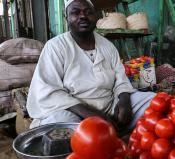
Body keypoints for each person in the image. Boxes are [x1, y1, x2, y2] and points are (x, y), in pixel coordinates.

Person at [27, 0, 155, 133]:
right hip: (75, 113)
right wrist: (94, 116)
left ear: (95, 17)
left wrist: (124, 102)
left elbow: (121, 80)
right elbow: (50, 91)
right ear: (67, 18)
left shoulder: (108, 46)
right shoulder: (55, 47)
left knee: (152, 101)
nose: (83, 16)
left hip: (110, 109)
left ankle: (119, 134)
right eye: (75, 12)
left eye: (88, 12)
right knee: (61, 121)